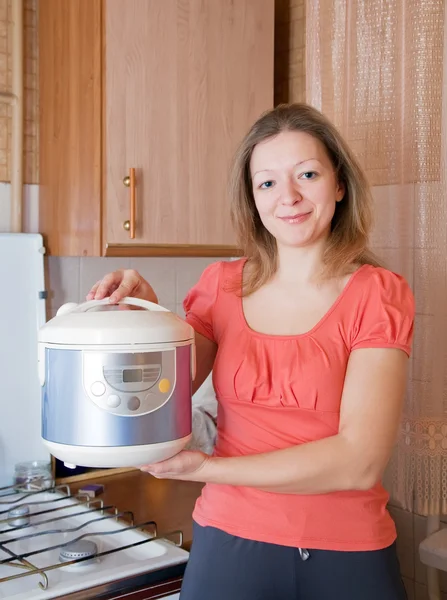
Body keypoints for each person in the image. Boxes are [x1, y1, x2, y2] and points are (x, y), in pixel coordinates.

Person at [88, 103, 414, 600]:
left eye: (307, 174)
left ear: (340, 184)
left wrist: (207, 469)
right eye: (267, 183)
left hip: (349, 552)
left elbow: (359, 460)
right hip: (230, 543)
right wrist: (143, 315)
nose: (289, 197)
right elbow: (161, 395)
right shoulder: (220, 287)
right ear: (252, 198)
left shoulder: (378, 294)